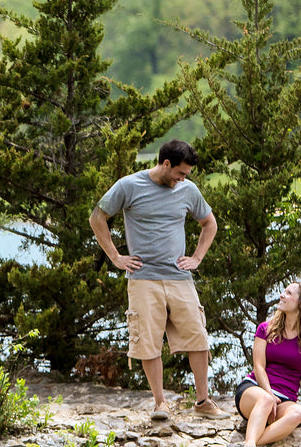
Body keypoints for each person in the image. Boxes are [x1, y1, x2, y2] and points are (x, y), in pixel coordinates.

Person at [89, 139, 226, 421]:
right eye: (180, 173)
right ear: (166, 164)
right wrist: (115, 257)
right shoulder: (129, 185)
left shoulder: (188, 190)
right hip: (143, 278)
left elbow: (209, 223)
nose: (183, 179)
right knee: (148, 342)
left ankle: (202, 401)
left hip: (179, 277)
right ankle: (160, 403)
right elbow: (97, 217)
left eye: (186, 175)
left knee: (198, 337)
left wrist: (197, 258)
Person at [226, 280, 301, 447]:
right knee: (266, 400)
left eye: (289, 293)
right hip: (254, 389)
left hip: (285, 399)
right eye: (284, 291)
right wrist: (268, 393)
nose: (282, 295)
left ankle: (246, 445)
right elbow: (258, 366)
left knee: (298, 413)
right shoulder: (265, 329)